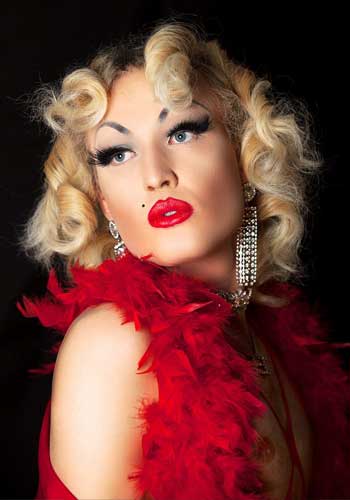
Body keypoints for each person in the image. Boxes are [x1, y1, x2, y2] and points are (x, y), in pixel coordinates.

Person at [16, 17, 350, 500]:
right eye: (116, 154)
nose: (155, 176)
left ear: (244, 154)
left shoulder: (279, 341)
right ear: (103, 201)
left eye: (182, 132)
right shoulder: (116, 344)